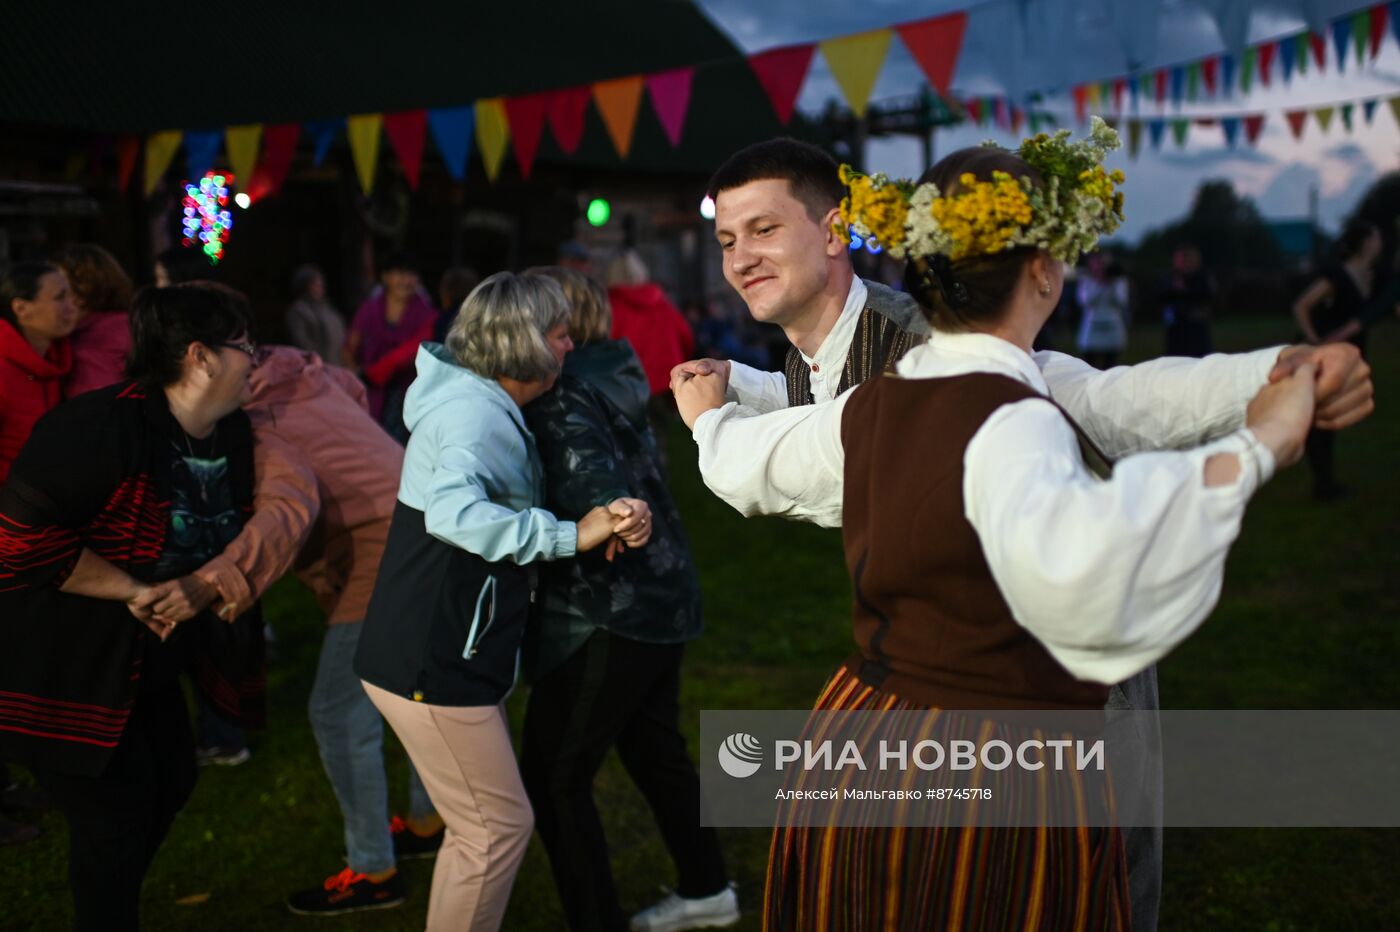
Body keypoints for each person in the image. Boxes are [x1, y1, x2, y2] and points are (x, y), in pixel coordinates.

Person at [673, 124, 1373, 932]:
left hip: (1052, 671)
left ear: (835, 230)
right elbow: (829, 423)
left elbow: (1104, 400)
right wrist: (745, 391)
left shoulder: (938, 345)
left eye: (762, 230)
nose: (740, 258)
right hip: (938, 692)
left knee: (1080, 885)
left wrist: (1277, 372)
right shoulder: (822, 356)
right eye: (727, 239)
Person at [353, 272, 651, 931]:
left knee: (482, 828)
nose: (571, 343)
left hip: (435, 651)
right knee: (495, 830)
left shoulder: (477, 400)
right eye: (558, 332)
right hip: (432, 660)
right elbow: (456, 514)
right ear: (520, 342)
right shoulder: (472, 413)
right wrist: (573, 534)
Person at [0, 283, 265, 932]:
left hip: (146, 663)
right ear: (201, 357)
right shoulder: (97, 428)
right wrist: (135, 591)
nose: (255, 358)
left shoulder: (227, 432)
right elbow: (15, 541)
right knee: (114, 815)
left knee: (172, 779)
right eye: (244, 346)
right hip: (65, 664)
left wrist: (207, 582)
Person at [183, 342, 444, 914]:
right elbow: (354, 392)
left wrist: (216, 582)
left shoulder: (259, 417)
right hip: (420, 518)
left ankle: (374, 868)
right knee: (414, 695)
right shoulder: (304, 373)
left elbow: (286, 508)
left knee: (338, 710)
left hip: (382, 547)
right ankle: (428, 823)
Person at [518, 268, 735, 932]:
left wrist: (588, 515)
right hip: (661, 592)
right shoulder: (617, 372)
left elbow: (596, 489)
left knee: (554, 777)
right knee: (652, 749)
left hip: (606, 609)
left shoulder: (562, 394)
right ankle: (707, 887)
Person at [1292, 217, 1382, 501]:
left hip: (1346, 357)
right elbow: (1301, 306)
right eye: (1377, 237)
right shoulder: (1337, 276)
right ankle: (1324, 485)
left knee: (1329, 420)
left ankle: (1326, 482)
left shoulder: (1369, 276)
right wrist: (1314, 341)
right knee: (1321, 422)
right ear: (1366, 243)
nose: (1381, 243)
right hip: (1324, 356)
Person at [345, 250, 437, 438]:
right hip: (367, 393)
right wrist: (356, 380)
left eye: (411, 274)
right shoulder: (368, 310)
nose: (405, 280)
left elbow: (414, 354)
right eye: (399, 273)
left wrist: (373, 373)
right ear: (385, 277)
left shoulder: (427, 315)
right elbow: (349, 349)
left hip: (408, 397)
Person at [1, 260, 76, 483]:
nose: (72, 306)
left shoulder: (57, 360)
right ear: (22, 309)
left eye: (70, 296)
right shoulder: (4, 370)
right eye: (60, 297)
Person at [53, 244, 134, 398]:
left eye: (62, 290)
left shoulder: (91, 344)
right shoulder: (128, 324)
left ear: (81, 293)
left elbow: (92, 407)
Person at [284, 264, 347, 364]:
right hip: (315, 366)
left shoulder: (328, 309)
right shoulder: (299, 311)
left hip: (334, 364)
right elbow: (302, 342)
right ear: (305, 286)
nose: (319, 289)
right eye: (315, 285)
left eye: (320, 285)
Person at [1160, 244, 1215, 357]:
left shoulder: (1200, 276)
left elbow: (1206, 295)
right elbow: (1160, 295)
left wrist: (1183, 291)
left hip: (1196, 330)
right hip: (1176, 330)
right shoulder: (1171, 276)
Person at [1077, 250, 1129, 368]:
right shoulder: (1086, 280)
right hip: (1092, 326)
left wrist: (1112, 283)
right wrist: (1100, 284)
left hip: (1112, 325)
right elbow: (1086, 301)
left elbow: (1121, 301)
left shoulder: (1118, 280)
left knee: (1110, 364)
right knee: (1089, 364)